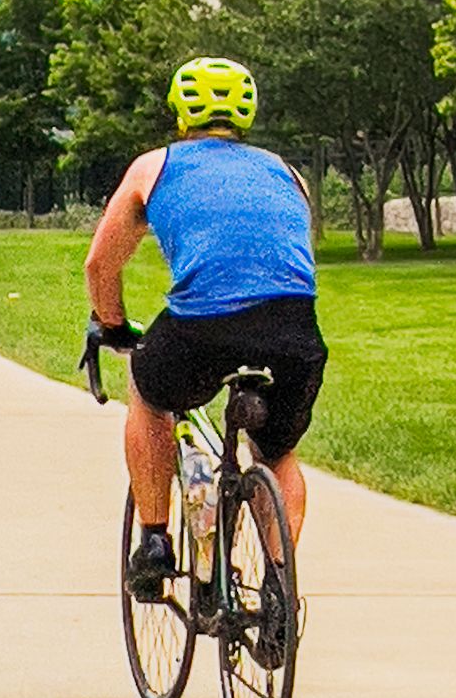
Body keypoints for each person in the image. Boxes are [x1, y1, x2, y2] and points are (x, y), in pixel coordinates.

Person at [83, 56, 324, 602]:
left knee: (149, 393)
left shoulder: (154, 167)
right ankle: (279, 589)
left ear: (178, 111)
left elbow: (101, 263)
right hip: (293, 327)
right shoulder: (287, 172)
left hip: (202, 327)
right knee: (278, 452)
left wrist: (114, 325)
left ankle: (153, 542)